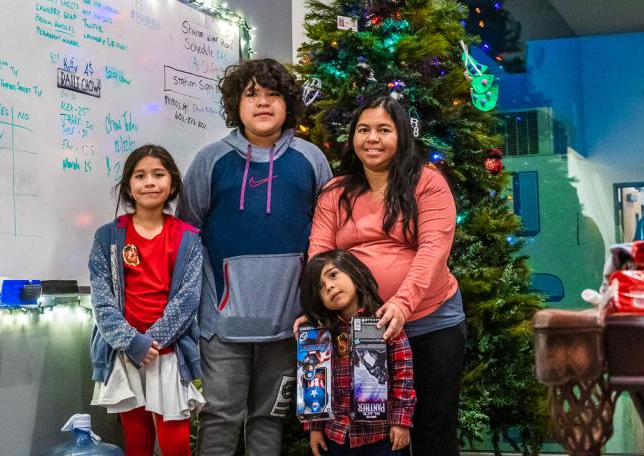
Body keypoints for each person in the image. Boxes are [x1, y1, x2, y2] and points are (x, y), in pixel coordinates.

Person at [177, 58, 332, 456]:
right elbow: (187, 237)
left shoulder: (311, 160)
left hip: (287, 326)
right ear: (236, 104)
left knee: (269, 420)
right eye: (252, 94)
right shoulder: (210, 161)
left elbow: (328, 235)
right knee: (219, 418)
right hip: (222, 326)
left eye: (273, 94)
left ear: (288, 104)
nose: (263, 103)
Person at [307, 95, 465, 456]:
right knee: (374, 435)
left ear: (401, 137)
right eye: (363, 130)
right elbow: (319, 253)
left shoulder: (427, 182)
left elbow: (433, 251)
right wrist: (317, 308)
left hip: (431, 322)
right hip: (361, 331)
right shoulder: (335, 191)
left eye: (383, 130)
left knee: (433, 427)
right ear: (353, 138)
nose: (372, 139)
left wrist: (402, 304)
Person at [89, 144, 205, 456]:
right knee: (136, 437)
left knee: (175, 440)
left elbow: (188, 299)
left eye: (158, 174)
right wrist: (132, 343)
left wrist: (151, 343)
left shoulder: (188, 237)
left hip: (168, 353)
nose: (149, 182)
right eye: (140, 176)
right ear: (128, 185)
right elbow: (101, 302)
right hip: (124, 353)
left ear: (172, 183)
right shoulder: (107, 237)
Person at [300, 249, 416, 456]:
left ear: (353, 272)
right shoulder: (318, 336)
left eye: (333, 275)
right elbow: (314, 384)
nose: (329, 286)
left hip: (381, 436)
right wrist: (314, 429)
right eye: (320, 287)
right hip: (336, 437)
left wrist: (401, 421)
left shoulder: (385, 324)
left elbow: (403, 376)